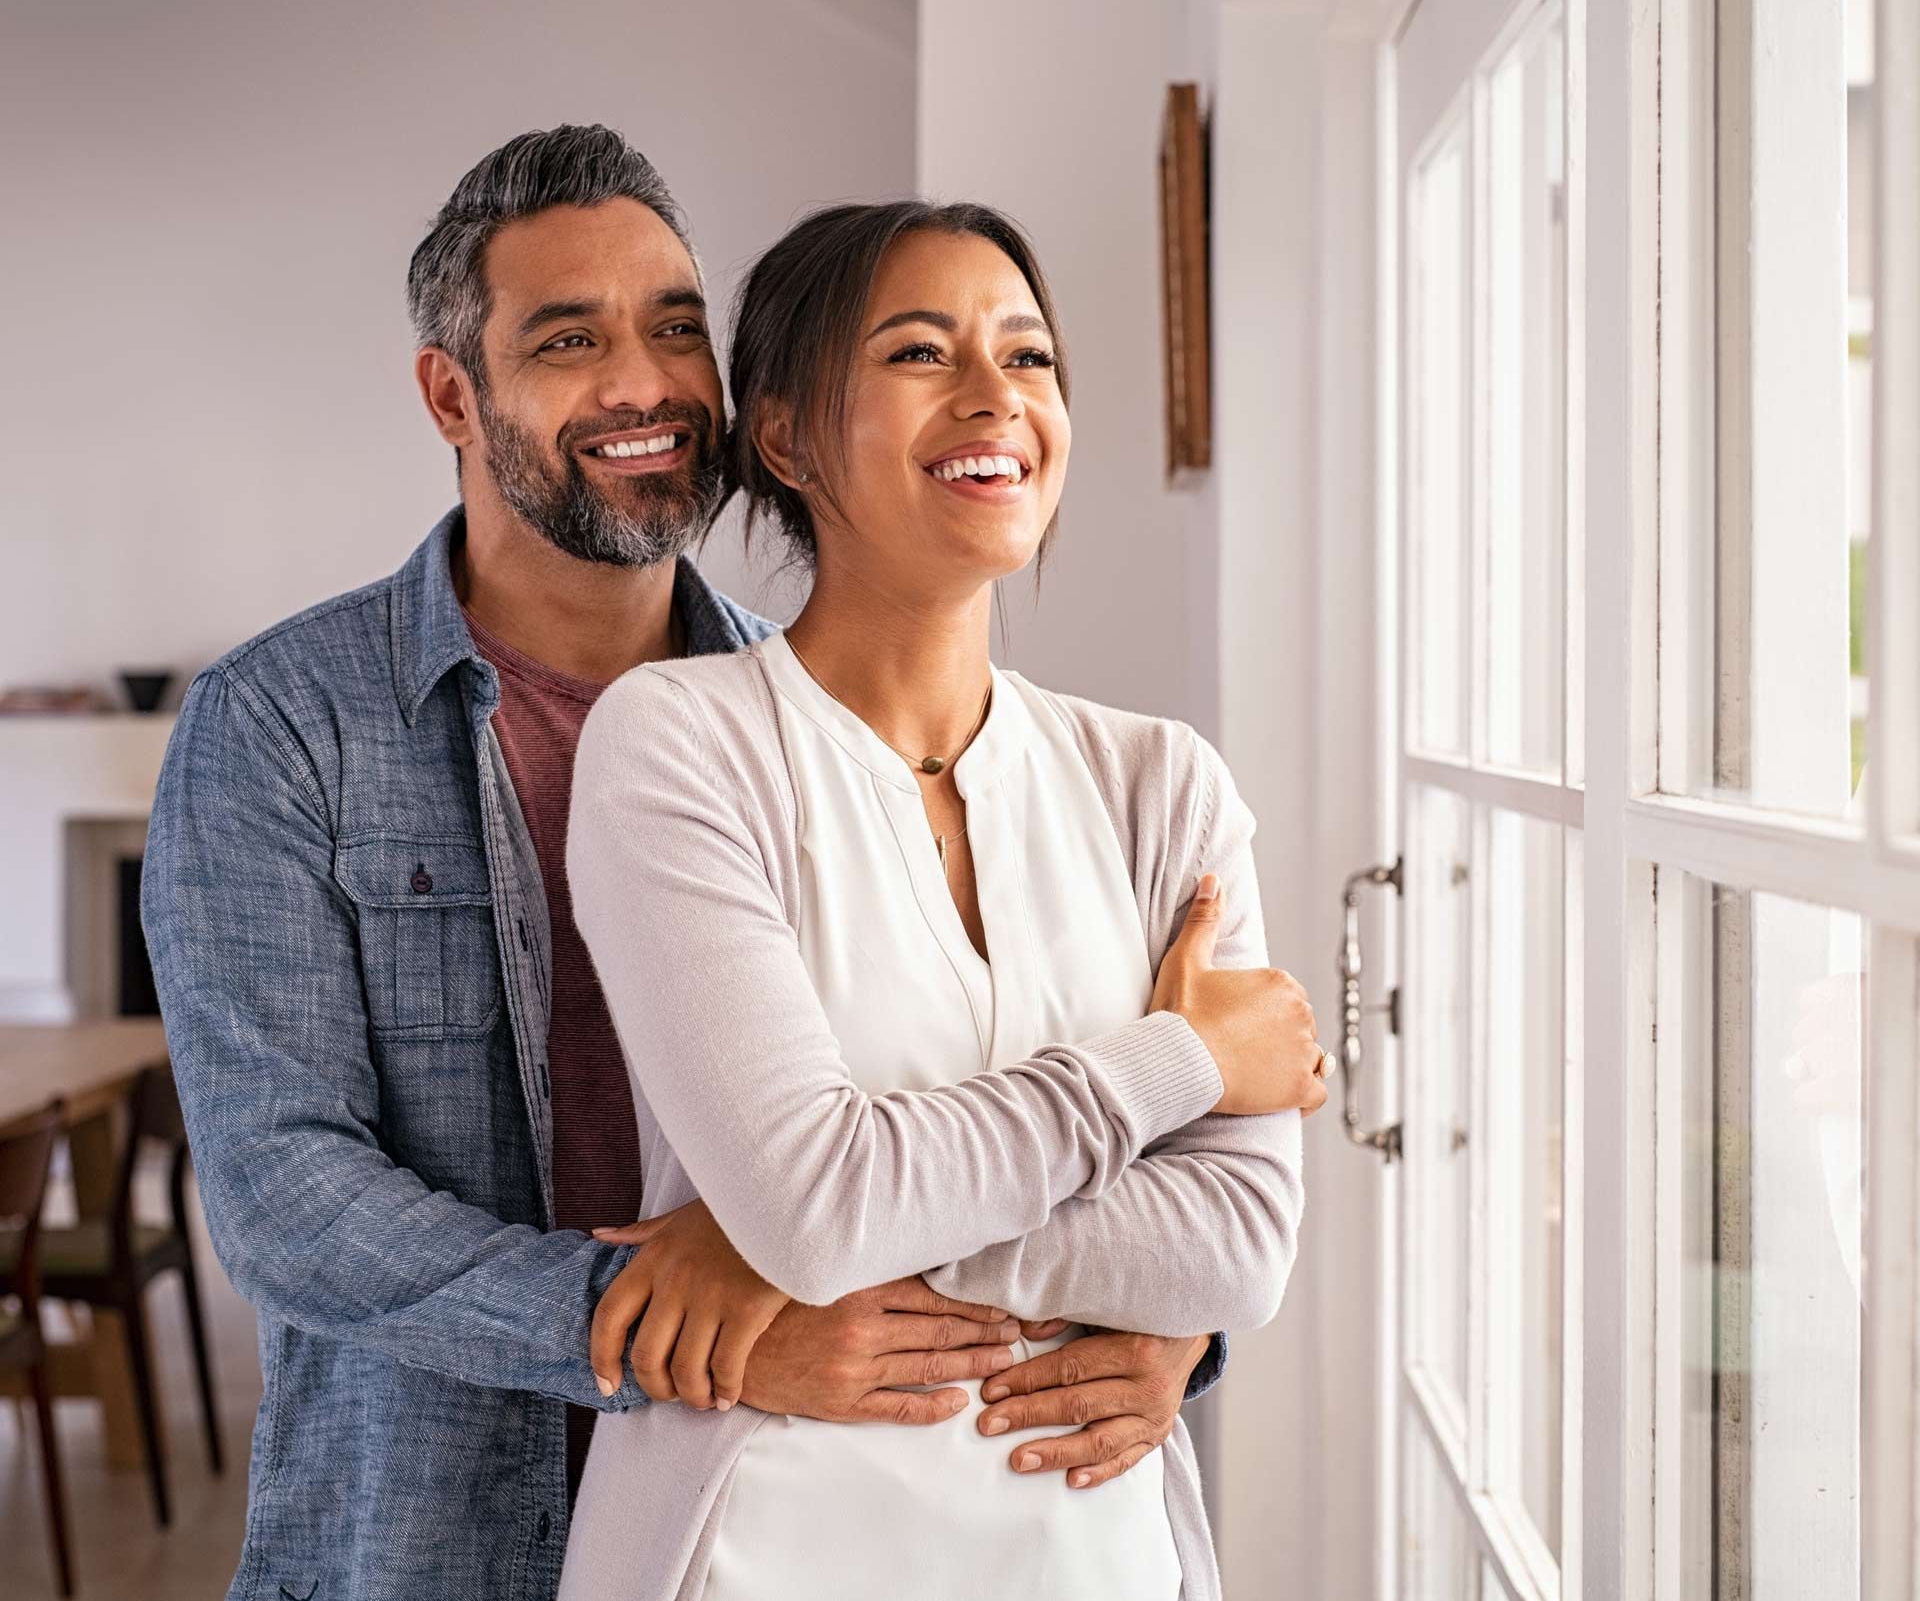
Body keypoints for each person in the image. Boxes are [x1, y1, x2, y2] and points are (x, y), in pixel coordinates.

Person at [141, 127, 1276, 1601]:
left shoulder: (818, 717)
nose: (645, 385)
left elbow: (1155, 1176)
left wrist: (1172, 1320)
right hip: (429, 1522)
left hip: (805, 1499)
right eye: (569, 339)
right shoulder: (285, 724)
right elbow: (285, 1197)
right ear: (450, 394)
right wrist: (672, 1304)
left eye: (678, 328)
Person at [559, 201, 1326, 1601]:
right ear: (785, 436)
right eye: (922, 353)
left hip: (1104, 1557)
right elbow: (812, 1200)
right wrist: (1187, 1063)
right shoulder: (678, 743)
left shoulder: (1164, 785)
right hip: (758, 1551)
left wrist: (824, 1220)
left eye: (1029, 359)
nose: (997, 398)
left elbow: (1237, 1252)